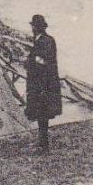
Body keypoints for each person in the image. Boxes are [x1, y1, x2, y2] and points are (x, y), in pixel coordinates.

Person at [24, 14, 62, 154]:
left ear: (37, 28)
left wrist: (29, 62)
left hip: (43, 84)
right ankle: (42, 142)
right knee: (41, 114)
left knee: (42, 114)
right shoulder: (43, 40)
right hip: (40, 84)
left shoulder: (45, 41)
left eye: (33, 26)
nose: (32, 28)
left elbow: (45, 62)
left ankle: (43, 145)